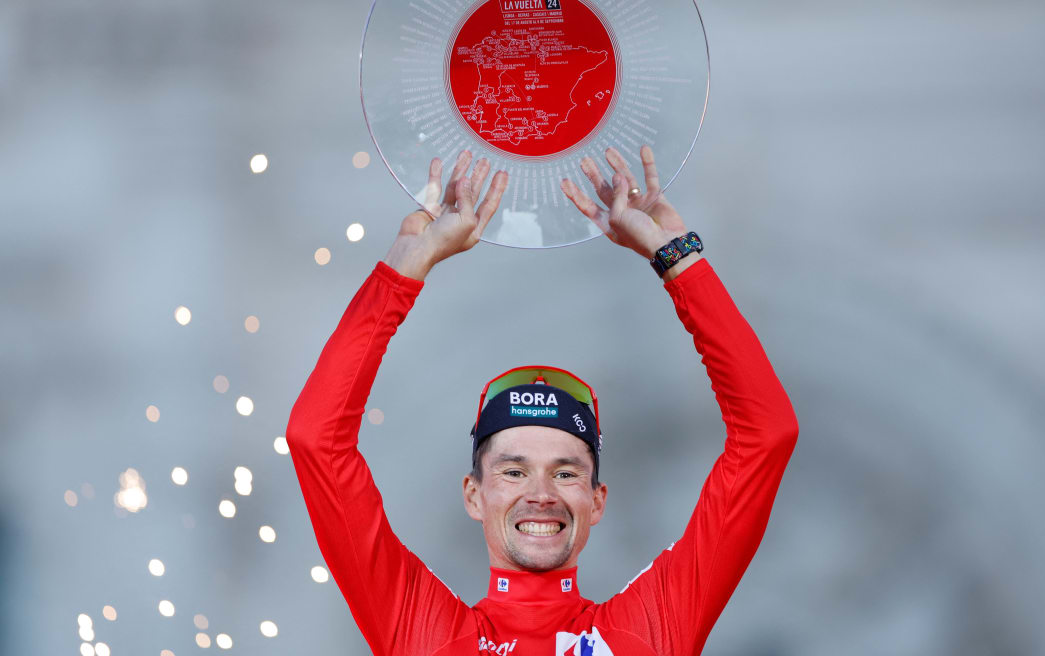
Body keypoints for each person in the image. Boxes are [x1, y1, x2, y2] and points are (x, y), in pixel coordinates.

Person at [285, 145, 799, 655]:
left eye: (567, 471)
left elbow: (767, 435)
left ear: (597, 500)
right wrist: (401, 271)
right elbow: (315, 440)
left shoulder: (650, 625)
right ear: (473, 494)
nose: (541, 493)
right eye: (513, 470)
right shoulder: (422, 629)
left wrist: (677, 259)